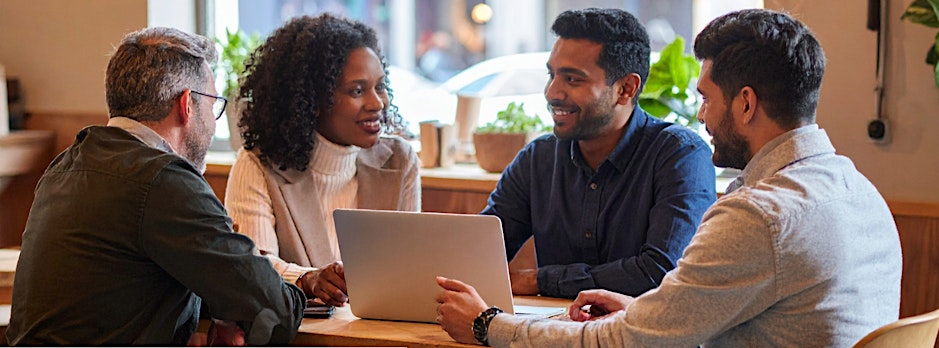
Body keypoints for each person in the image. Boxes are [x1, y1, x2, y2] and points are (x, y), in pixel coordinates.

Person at [436, 8, 903, 347]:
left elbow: (628, 341)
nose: (700, 115)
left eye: (706, 98)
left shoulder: (760, 215)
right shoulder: (858, 191)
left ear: (744, 103)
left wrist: (488, 325)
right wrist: (647, 311)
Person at [6, 27, 305, 346]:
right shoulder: (164, 180)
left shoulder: (67, 165)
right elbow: (276, 311)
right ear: (187, 104)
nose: (215, 120)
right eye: (214, 104)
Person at [480, 8, 715, 299]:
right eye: (552, 75)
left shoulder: (680, 156)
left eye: (573, 80)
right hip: (554, 335)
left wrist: (542, 281)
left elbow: (659, 273)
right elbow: (482, 253)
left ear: (625, 89)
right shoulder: (537, 159)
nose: (552, 92)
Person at [225, 13, 420, 307]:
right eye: (357, 90)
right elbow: (251, 267)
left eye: (379, 86)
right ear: (311, 100)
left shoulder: (399, 162)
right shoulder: (258, 165)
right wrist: (307, 279)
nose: (378, 103)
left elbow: (409, 267)